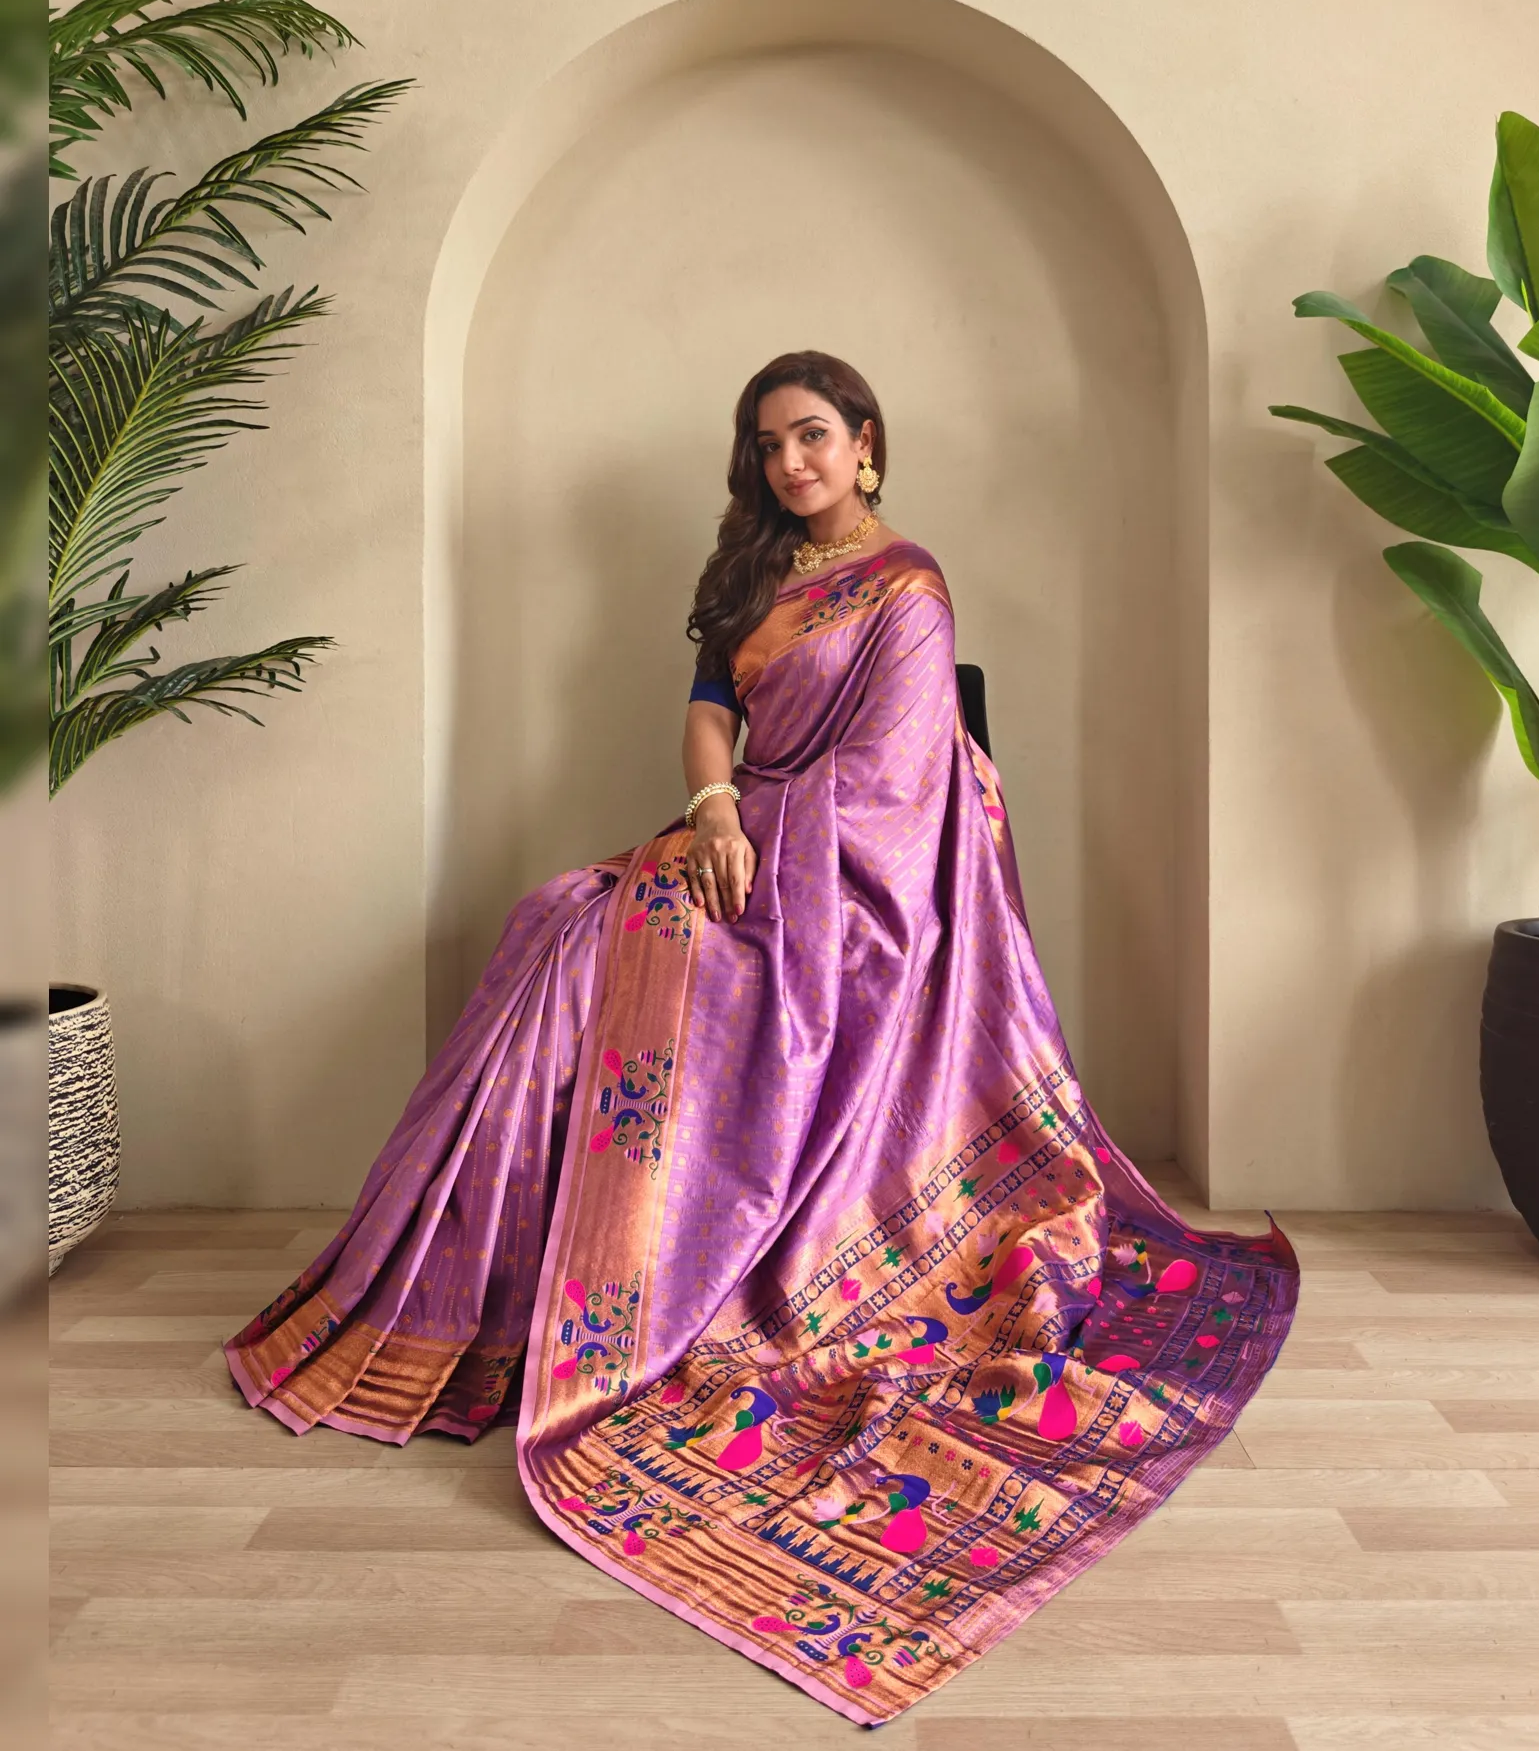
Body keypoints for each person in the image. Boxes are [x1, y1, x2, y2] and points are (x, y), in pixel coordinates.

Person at [223, 348, 1298, 1726]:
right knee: (554, 923)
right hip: (744, 844)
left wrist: (756, 838)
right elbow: (709, 712)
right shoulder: (750, 575)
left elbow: (890, 786)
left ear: (866, 443)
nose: (791, 463)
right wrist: (717, 811)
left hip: (854, 898)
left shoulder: (907, 590)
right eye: (770, 445)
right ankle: (466, 1309)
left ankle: (625, 1292)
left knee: (606, 945)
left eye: (812, 438)